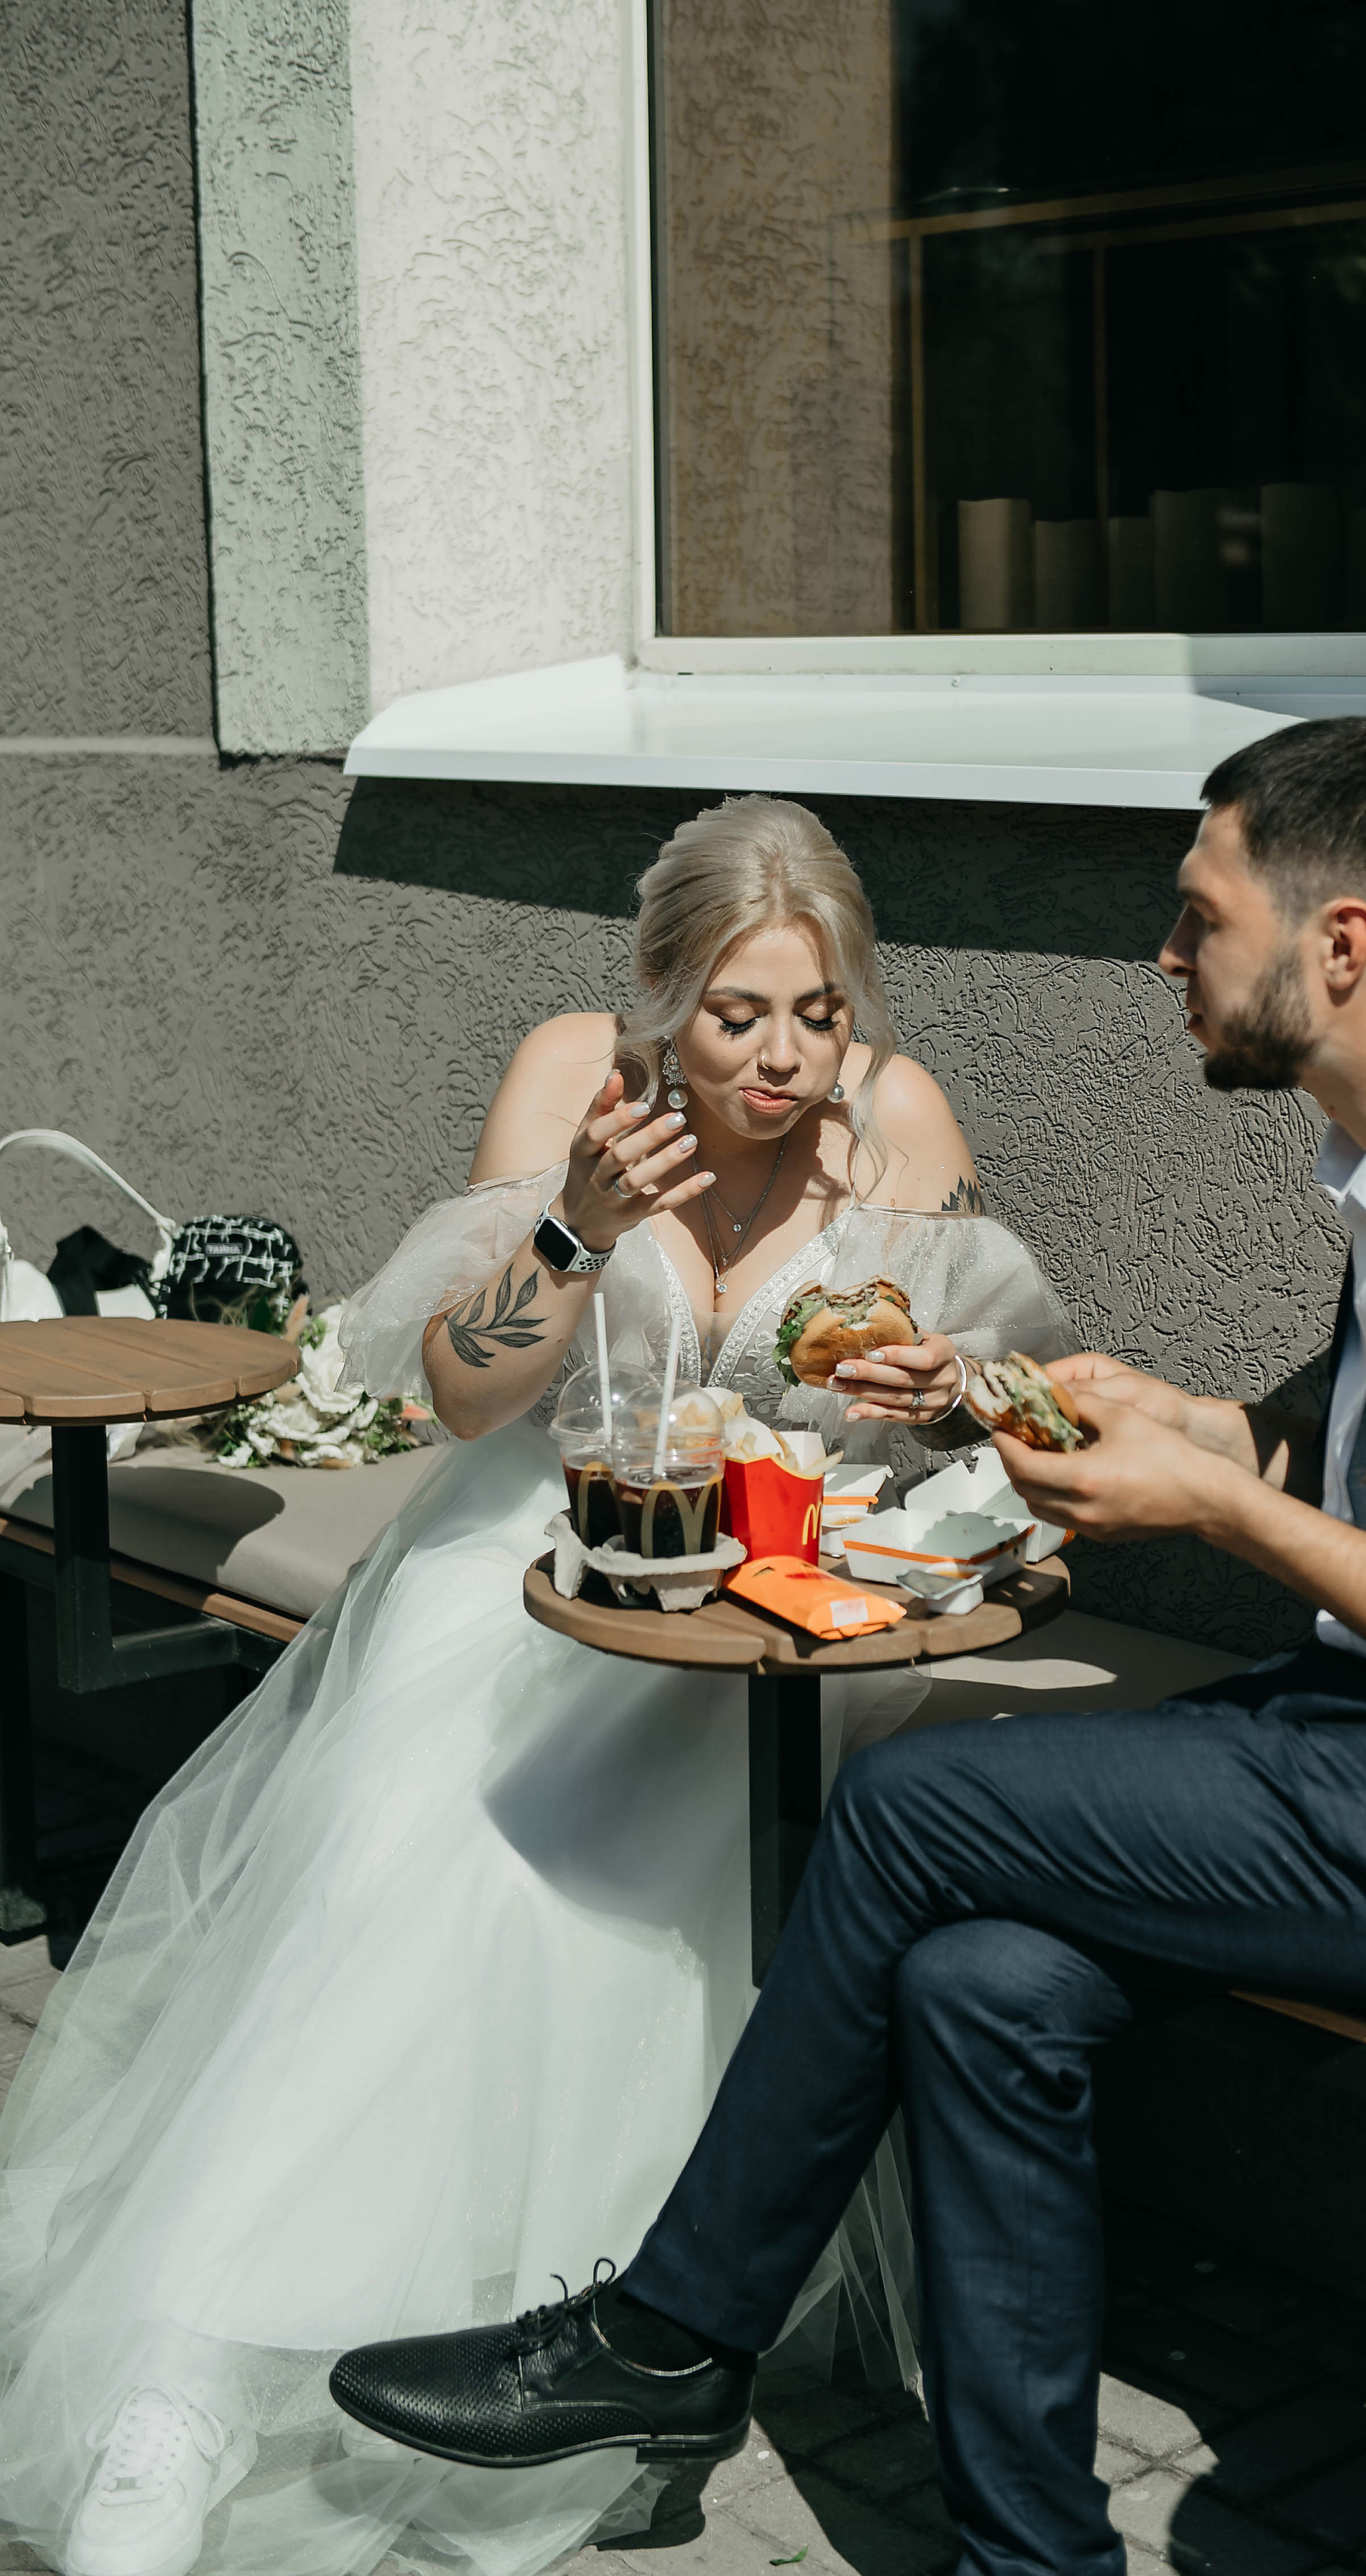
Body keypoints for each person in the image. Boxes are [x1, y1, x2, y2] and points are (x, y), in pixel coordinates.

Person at [331, 715, 1366, 2576]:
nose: (1161, 952)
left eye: (1195, 910)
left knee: (909, 1805)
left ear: (1339, 944)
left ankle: (669, 2336)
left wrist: (1217, 1506)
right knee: (981, 1981)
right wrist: (1157, 1416)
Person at [0, 794, 1070, 2576]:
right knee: (404, 1823)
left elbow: (997, 1423)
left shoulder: (898, 1126)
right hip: (531, 1556)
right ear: (658, 997)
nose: (788, 1057)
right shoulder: (575, 1076)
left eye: (818, 1012)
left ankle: (573, 2313)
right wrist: (572, 1231)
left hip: (771, 1605)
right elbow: (463, 1396)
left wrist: (932, 1382)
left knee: (571, 1866)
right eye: (741, 1016)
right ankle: (180, 2372)